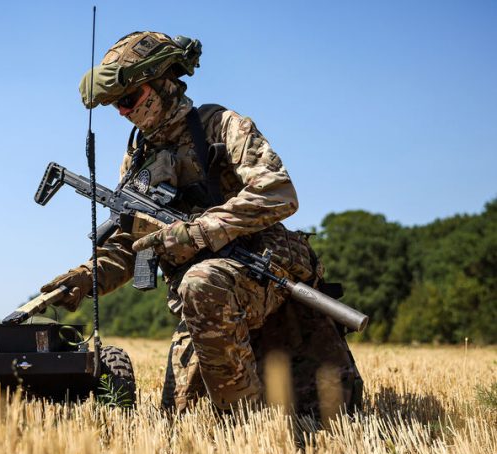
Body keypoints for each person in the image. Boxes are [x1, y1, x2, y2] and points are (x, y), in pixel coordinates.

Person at [40, 31, 362, 415]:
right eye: (115, 106)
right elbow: (132, 246)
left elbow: (278, 193)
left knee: (200, 283)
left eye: (128, 99)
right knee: (181, 421)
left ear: (162, 84)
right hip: (204, 290)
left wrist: (199, 231)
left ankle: (244, 426)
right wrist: (84, 279)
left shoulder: (221, 126)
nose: (123, 112)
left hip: (259, 261)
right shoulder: (137, 158)